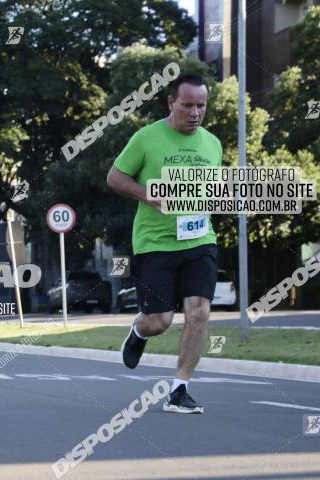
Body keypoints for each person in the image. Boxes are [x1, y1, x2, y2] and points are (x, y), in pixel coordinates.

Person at [106, 73, 223, 415]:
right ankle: (139, 331)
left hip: (200, 238)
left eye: (201, 105)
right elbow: (115, 177)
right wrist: (148, 195)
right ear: (171, 102)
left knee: (199, 311)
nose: (195, 112)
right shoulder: (146, 138)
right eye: (187, 105)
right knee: (160, 320)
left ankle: (180, 388)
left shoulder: (213, 144)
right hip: (155, 243)